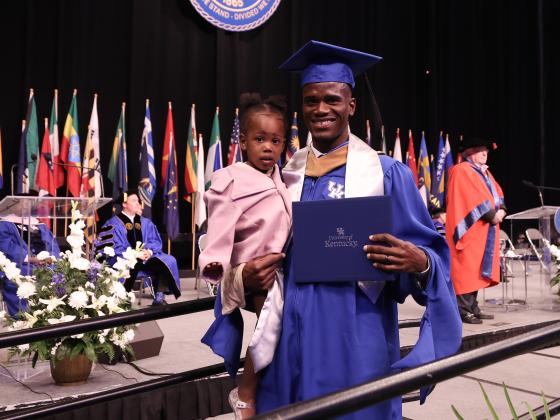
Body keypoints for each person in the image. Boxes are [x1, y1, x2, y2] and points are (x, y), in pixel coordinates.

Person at [236, 40, 462, 419]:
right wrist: (243, 275)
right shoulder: (282, 175)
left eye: (332, 99)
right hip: (288, 341)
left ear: (351, 105)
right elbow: (242, 252)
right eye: (311, 100)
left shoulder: (386, 174)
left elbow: (434, 261)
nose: (321, 109)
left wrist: (419, 261)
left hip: (357, 343)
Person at [199, 93, 291, 419]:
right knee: (273, 318)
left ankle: (272, 393)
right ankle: (246, 391)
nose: (268, 147)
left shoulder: (285, 178)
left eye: (276, 140)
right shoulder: (231, 180)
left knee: (284, 325)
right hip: (248, 271)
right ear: (243, 141)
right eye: (260, 139)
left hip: (280, 270)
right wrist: (215, 262)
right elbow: (220, 231)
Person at [446, 137, 506, 324]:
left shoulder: (485, 173)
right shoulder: (461, 170)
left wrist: (502, 210)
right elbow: (471, 197)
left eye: (485, 150)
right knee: (466, 268)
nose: (484, 153)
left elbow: (498, 194)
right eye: (479, 150)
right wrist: (492, 216)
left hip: (484, 231)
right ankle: (463, 309)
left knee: (477, 269)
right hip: (469, 230)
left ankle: (473, 306)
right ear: (469, 153)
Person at [95, 190, 181, 305]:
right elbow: (112, 247)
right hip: (123, 258)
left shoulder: (146, 223)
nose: (138, 203)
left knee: (168, 260)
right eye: (133, 201)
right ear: (124, 204)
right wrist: (135, 254)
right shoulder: (113, 224)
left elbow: (154, 241)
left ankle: (159, 295)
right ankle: (122, 297)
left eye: (138, 201)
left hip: (146, 258)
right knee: (121, 263)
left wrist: (149, 252)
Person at [0, 200, 60, 317]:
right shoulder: (4, 224)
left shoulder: (39, 225)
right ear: (12, 205)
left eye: (29, 203)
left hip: (46, 267)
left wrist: (51, 257)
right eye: (23, 202)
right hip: (20, 267)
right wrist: (32, 258)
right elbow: (6, 247)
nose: (27, 205)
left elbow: (53, 244)